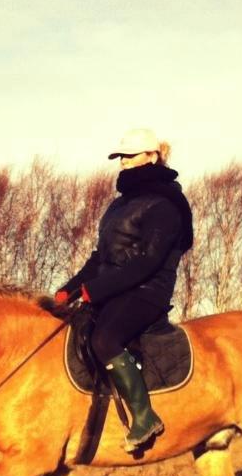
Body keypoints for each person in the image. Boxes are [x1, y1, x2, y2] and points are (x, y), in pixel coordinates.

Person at [55, 128, 194, 452]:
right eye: (120, 157)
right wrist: (69, 290)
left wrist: (95, 290)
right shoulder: (117, 206)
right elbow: (99, 257)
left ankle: (145, 417)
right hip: (114, 289)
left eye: (129, 156)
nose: (123, 163)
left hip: (147, 290)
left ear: (152, 156)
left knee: (105, 338)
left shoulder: (167, 204)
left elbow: (148, 261)